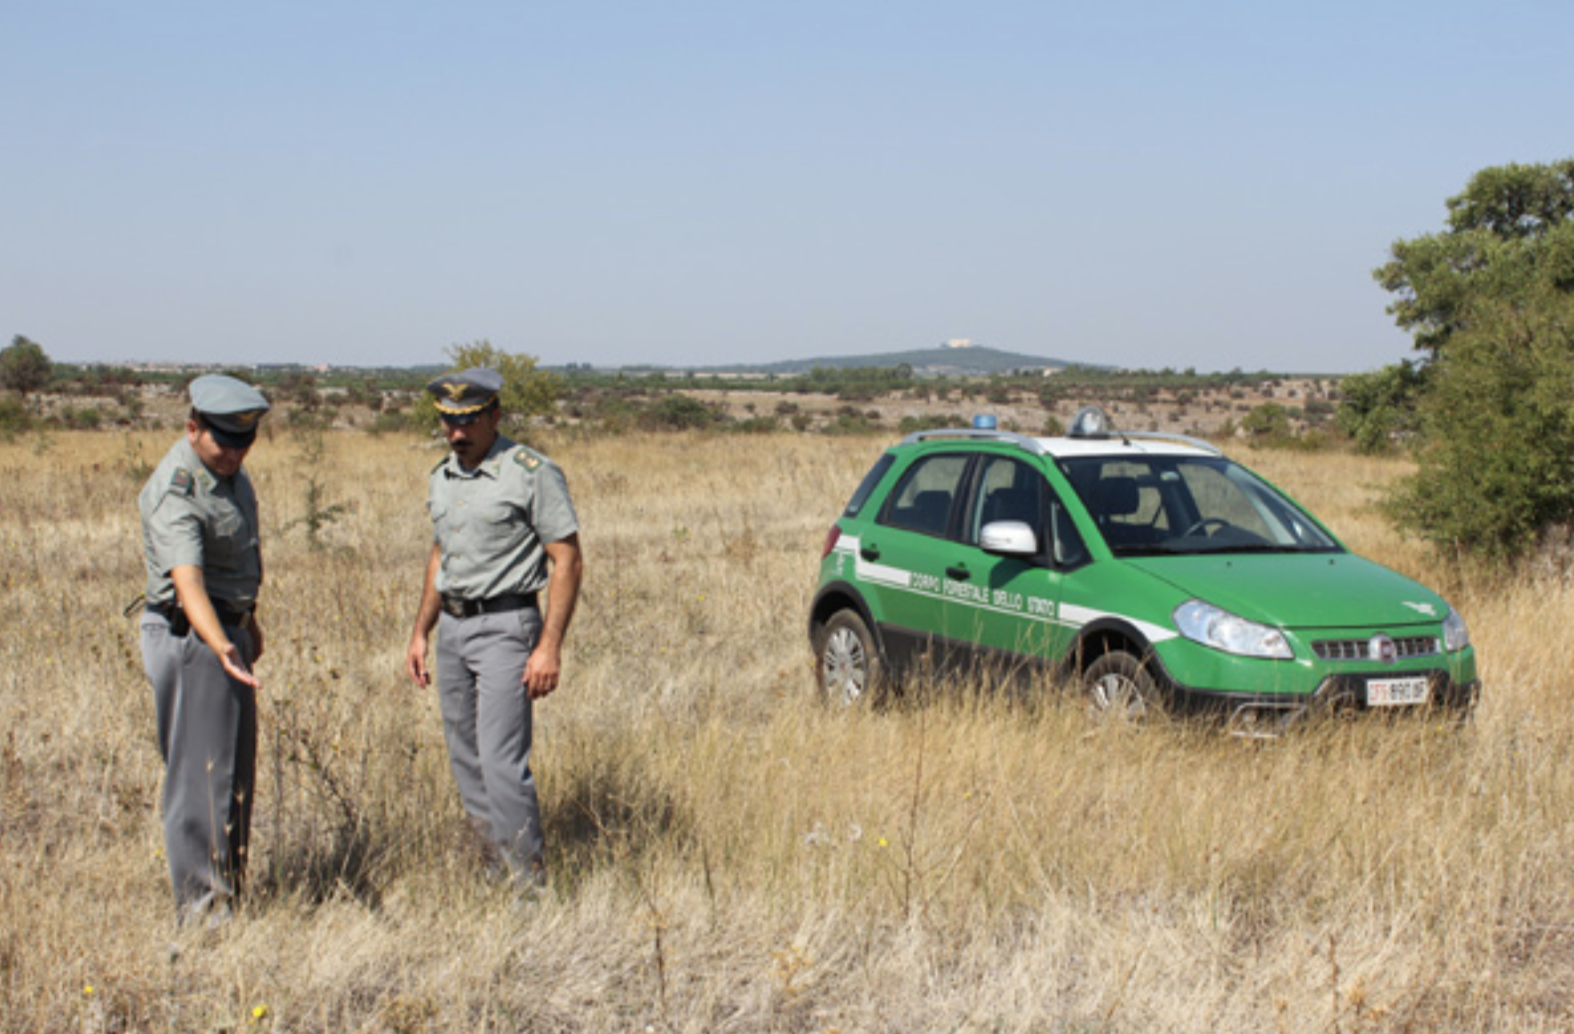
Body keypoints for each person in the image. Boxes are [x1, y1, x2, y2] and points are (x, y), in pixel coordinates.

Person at [405, 367, 583, 888]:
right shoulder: (443, 477)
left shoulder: (530, 471)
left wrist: (548, 647)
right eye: (448, 423)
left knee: (503, 762)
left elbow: (567, 560)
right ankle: (493, 871)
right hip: (454, 630)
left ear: (495, 415)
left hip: (508, 626)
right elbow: (441, 555)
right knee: (466, 761)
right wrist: (420, 631)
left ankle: (528, 884)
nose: (458, 434)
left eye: (470, 422)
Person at [137, 374, 270, 923]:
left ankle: (226, 900)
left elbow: (229, 564)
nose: (236, 452)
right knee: (201, 782)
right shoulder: (179, 486)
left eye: (246, 441)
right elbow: (188, 581)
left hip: (224, 633)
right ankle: (202, 919)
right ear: (193, 429)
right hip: (193, 639)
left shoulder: (225, 472)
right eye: (224, 440)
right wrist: (221, 644)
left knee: (232, 780)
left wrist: (246, 623)